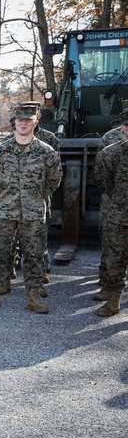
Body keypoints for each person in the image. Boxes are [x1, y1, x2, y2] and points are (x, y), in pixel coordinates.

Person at [0, 105, 62, 313]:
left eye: (28, 119)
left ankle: (33, 295)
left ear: (35, 121)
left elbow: (54, 180)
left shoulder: (46, 151)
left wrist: (36, 197)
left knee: (34, 254)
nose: (23, 123)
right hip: (4, 211)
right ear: (14, 122)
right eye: (19, 120)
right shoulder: (1, 151)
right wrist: (4, 198)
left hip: (33, 211)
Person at [93, 119, 128, 316]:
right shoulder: (112, 152)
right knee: (116, 260)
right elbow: (101, 180)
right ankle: (114, 299)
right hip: (119, 214)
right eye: (126, 125)